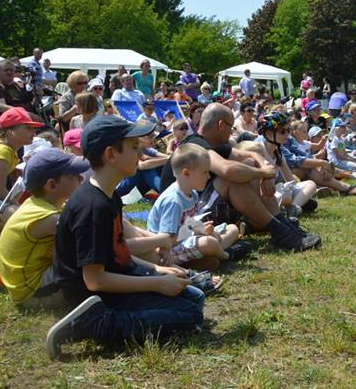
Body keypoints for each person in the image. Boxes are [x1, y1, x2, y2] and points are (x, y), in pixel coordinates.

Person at [46, 116, 205, 359]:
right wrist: (156, 283)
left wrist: (157, 270)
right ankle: (89, 325)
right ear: (111, 154)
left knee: (195, 298)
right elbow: (95, 280)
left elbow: (117, 251)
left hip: (117, 279)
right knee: (191, 315)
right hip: (95, 298)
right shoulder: (92, 207)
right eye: (133, 147)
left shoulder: (110, 196)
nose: (140, 153)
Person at [159, 104, 321, 251]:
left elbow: (252, 155)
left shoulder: (214, 144)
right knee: (233, 178)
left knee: (248, 164)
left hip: (197, 212)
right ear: (221, 125)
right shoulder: (196, 145)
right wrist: (264, 173)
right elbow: (227, 170)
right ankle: (280, 231)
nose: (232, 131)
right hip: (184, 220)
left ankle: (282, 225)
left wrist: (264, 170)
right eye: (231, 126)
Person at [0, 149, 89, 308]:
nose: (81, 178)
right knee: (95, 264)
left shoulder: (38, 204)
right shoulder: (48, 218)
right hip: (34, 293)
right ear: (51, 185)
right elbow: (93, 243)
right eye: (73, 175)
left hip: (30, 282)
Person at [146, 145, 248, 268]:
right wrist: (194, 232)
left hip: (186, 240)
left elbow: (189, 223)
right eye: (205, 172)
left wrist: (202, 229)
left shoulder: (193, 194)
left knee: (232, 229)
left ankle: (208, 255)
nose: (208, 176)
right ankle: (227, 255)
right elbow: (166, 241)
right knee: (209, 243)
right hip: (166, 250)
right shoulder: (173, 202)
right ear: (186, 173)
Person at [0, 59, 36, 135]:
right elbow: (0, 107)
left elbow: (27, 102)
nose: (9, 72)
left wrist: (37, 95)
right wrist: (27, 114)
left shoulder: (16, 85)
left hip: (19, 121)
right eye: (6, 70)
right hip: (0, 123)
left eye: (11, 70)